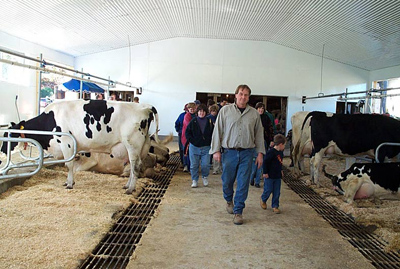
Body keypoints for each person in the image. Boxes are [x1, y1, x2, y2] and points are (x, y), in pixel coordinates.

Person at [210, 84, 265, 225]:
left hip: (247, 152)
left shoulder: (254, 114)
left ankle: (238, 211)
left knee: (243, 183)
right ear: (235, 95)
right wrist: (216, 150)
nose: (243, 97)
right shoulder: (225, 111)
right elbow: (218, 131)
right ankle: (229, 200)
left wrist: (260, 153)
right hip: (229, 152)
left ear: (249, 97)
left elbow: (259, 134)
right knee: (227, 181)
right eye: (241, 94)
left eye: (246, 95)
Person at [185, 104, 214, 188]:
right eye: (200, 111)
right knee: (194, 165)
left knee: (206, 164)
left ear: (206, 112)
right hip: (194, 147)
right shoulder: (193, 121)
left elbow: (213, 133)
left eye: (203, 111)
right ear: (197, 112)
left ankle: (205, 177)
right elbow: (187, 133)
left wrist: (210, 142)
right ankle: (194, 180)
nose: (202, 113)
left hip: (206, 147)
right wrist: (192, 141)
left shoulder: (209, 121)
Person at [260, 134, 286, 214]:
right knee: (268, 189)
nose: (284, 147)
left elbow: (280, 163)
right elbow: (265, 163)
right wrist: (265, 172)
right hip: (269, 175)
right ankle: (263, 199)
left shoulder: (281, 153)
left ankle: (275, 206)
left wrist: (281, 170)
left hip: (277, 176)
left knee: (277, 192)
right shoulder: (270, 153)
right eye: (284, 145)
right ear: (281, 144)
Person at [250, 102, 274, 188]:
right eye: (259, 108)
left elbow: (271, 129)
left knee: (261, 161)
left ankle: (257, 181)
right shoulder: (252, 117)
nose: (261, 110)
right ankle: (251, 178)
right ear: (256, 109)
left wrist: (271, 139)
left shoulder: (266, 118)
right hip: (253, 143)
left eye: (262, 109)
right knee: (253, 162)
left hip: (263, 141)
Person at [181, 102, 197, 172]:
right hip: (187, 136)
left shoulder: (196, 115)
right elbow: (189, 125)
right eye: (191, 109)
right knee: (186, 151)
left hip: (194, 136)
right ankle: (186, 165)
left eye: (193, 109)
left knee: (192, 152)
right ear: (188, 109)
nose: (192, 110)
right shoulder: (187, 116)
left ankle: (192, 166)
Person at [207, 104, 222, 175]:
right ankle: (210, 164)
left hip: (217, 136)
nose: (213, 113)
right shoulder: (208, 118)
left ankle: (216, 168)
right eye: (212, 111)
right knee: (210, 151)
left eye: (215, 111)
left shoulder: (219, 117)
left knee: (217, 151)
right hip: (210, 136)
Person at [175, 104, 188, 168]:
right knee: (182, 149)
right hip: (181, 134)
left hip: (189, 135)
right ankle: (183, 162)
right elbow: (177, 123)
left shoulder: (193, 116)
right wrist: (179, 131)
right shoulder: (181, 115)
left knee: (187, 149)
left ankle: (187, 163)